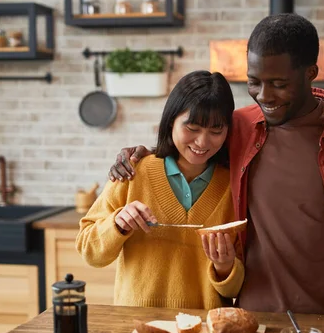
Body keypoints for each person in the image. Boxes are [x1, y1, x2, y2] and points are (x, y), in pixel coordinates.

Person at [107, 14, 324, 316]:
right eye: (254, 82)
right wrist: (147, 152)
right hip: (252, 313)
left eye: (279, 83)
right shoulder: (240, 126)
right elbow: (198, 147)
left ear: (311, 72)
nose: (264, 96)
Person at [76, 70, 245, 310]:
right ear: (170, 121)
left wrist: (226, 267)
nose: (202, 142)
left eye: (216, 131)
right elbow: (89, 252)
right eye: (192, 128)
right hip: (136, 326)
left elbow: (236, 289)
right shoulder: (133, 172)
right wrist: (117, 224)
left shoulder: (235, 187)